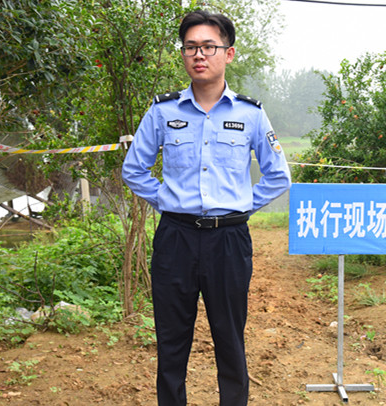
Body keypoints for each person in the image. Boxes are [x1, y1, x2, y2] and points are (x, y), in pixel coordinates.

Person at [121, 10, 291, 406]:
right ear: (183, 54)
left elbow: (278, 175)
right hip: (175, 239)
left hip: (228, 241)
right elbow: (134, 169)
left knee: (230, 339)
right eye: (191, 47)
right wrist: (168, 201)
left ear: (228, 53)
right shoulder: (163, 111)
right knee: (171, 342)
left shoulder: (250, 114)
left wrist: (240, 208)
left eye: (209, 47)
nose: (199, 55)